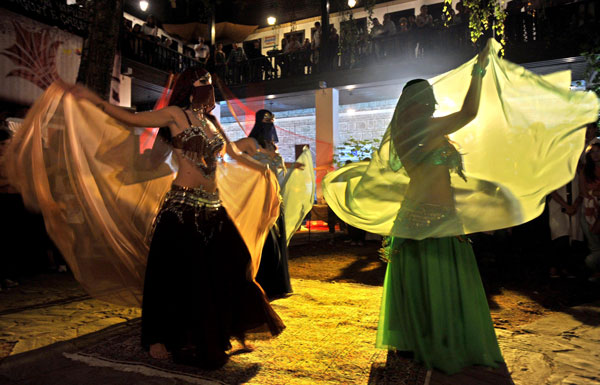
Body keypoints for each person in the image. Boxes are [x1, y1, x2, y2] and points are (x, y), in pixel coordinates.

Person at [69, 68, 285, 368]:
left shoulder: (210, 122)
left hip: (213, 206)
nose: (206, 86)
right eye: (200, 81)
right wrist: (95, 102)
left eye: (209, 82)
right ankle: (158, 337)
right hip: (182, 207)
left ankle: (226, 327)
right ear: (188, 86)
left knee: (236, 262)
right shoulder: (174, 115)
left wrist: (260, 164)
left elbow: (232, 152)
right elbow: (132, 119)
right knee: (173, 274)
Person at [235, 110, 303, 298]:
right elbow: (229, 150)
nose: (269, 127)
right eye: (266, 123)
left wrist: (294, 165)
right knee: (265, 238)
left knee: (276, 238)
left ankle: (276, 284)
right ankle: (260, 281)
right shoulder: (250, 143)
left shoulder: (272, 146)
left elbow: (275, 166)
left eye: (271, 122)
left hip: (275, 196)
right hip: (257, 197)